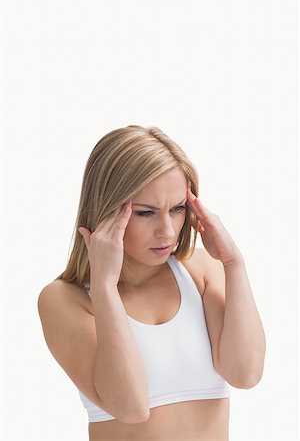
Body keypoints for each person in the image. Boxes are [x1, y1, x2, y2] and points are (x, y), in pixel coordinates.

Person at [37, 125, 266, 441]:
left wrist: (233, 263)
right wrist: (105, 286)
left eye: (177, 209)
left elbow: (245, 373)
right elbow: (130, 408)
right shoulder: (65, 299)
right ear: (105, 209)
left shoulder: (200, 271)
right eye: (146, 213)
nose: (168, 232)